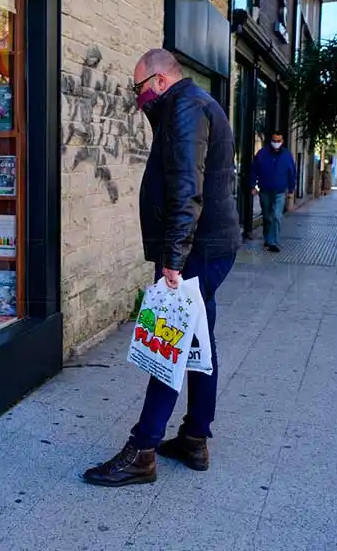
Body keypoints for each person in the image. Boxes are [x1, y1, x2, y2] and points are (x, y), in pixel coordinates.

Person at [82, 49, 240, 487]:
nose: (137, 100)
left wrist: (173, 259)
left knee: (167, 347)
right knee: (197, 343)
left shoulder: (186, 109)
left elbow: (188, 189)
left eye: (138, 90)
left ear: (158, 81)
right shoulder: (191, 105)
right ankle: (193, 438)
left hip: (194, 252)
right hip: (206, 246)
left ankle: (144, 449)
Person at [250, 133, 296, 252]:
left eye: (278, 140)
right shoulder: (262, 154)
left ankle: (273, 242)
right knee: (266, 216)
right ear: (271, 140)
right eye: (274, 140)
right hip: (265, 190)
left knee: (276, 216)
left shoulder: (287, 155)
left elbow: (292, 173)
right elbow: (254, 169)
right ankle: (267, 238)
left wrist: (291, 189)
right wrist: (252, 185)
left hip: (280, 191)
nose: (276, 143)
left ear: (282, 141)